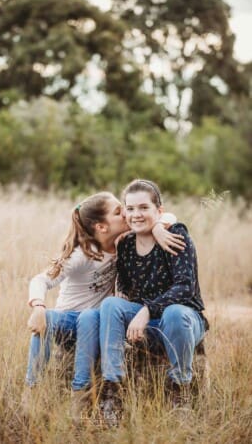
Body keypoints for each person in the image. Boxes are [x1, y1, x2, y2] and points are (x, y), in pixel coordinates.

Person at [24, 191, 184, 416]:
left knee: (92, 315)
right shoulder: (82, 255)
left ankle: (80, 394)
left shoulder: (123, 244)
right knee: (61, 318)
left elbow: (170, 217)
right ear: (101, 227)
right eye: (120, 212)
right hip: (68, 322)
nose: (128, 215)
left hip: (94, 325)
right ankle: (31, 389)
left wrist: (158, 227)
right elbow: (41, 279)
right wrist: (38, 306)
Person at [96, 179, 209, 421]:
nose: (136, 214)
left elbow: (185, 287)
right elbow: (125, 286)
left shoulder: (175, 234)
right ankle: (112, 390)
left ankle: (180, 392)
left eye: (144, 208)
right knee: (111, 305)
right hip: (148, 325)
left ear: (159, 211)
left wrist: (147, 310)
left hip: (184, 320)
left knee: (175, 313)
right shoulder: (126, 245)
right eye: (130, 208)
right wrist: (128, 310)